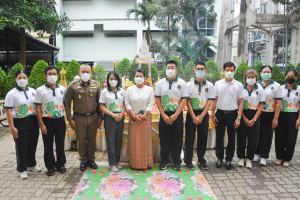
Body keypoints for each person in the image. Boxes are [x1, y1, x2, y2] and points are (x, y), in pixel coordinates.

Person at [65, 64, 103, 171]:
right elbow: (67, 103)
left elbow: (100, 102)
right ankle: (83, 161)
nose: (85, 73)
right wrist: (70, 119)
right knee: (81, 140)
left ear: (91, 73)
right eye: (83, 71)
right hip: (79, 118)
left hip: (93, 117)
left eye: (87, 72)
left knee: (92, 140)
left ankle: (91, 160)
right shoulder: (72, 86)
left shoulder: (96, 86)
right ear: (79, 72)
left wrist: (101, 117)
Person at [4, 70, 41, 179]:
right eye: (19, 78)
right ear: (15, 79)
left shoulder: (33, 91)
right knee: (21, 146)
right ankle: (22, 168)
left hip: (33, 120)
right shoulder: (11, 94)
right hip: (20, 121)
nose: (22, 80)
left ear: (27, 79)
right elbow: (9, 111)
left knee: (32, 144)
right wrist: (12, 127)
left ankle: (31, 164)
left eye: (24, 77)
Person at [155, 60, 189, 171]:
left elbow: (184, 100)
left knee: (177, 139)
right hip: (164, 114)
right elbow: (158, 100)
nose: (170, 70)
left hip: (177, 114)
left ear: (176, 70)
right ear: (165, 70)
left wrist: (176, 114)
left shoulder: (182, 83)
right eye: (168, 67)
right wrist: (163, 115)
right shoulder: (160, 84)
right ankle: (164, 161)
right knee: (164, 139)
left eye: (172, 67)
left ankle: (177, 161)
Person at [211, 62, 244, 170]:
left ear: (234, 71)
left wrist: (239, 118)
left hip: (233, 114)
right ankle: (219, 158)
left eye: (231, 70)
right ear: (223, 71)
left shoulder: (239, 85)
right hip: (220, 113)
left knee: (231, 138)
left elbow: (241, 103)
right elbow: (214, 100)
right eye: (227, 70)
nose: (229, 72)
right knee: (219, 137)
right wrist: (212, 115)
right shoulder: (217, 84)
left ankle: (229, 159)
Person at [35, 65, 67, 176]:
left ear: (58, 75)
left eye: (54, 74)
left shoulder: (62, 89)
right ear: (45, 76)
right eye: (50, 74)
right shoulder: (40, 90)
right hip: (46, 120)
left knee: (60, 143)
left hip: (59, 120)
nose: (52, 76)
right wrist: (41, 123)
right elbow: (38, 108)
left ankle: (61, 164)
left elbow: (65, 105)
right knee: (48, 144)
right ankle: (50, 166)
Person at [184, 62, 215, 170]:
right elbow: (187, 102)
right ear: (194, 70)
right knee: (189, 138)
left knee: (203, 138)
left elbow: (210, 101)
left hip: (204, 114)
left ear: (205, 71)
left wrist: (202, 116)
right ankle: (188, 161)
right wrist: (193, 116)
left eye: (202, 69)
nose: (200, 71)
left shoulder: (210, 85)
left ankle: (201, 160)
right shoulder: (189, 85)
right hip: (191, 114)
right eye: (198, 69)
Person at [125, 69, 154, 170]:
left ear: (144, 78)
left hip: (145, 117)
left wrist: (144, 115)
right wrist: (133, 115)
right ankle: (134, 163)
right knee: (135, 141)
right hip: (133, 117)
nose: (138, 78)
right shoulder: (130, 89)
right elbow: (127, 103)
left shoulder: (149, 89)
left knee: (145, 141)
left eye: (141, 76)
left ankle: (147, 162)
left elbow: (150, 103)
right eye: (137, 76)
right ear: (134, 78)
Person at [237, 70, 265, 169]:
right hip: (243, 113)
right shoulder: (241, 89)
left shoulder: (260, 89)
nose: (250, 79)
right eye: (248, 77)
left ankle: (249, 158)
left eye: (253, 77)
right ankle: (241, 157)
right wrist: (243, 118)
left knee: (253, 138)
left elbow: (261, 106)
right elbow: (239, 104)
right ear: (245, 78)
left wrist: (254, 119)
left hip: (255, 114)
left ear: (256, 78)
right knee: (241, 137)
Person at [254, 65, 282, 166]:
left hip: (269, 113)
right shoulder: (256, 84)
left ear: (271, 74)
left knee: (267, 135)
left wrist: (275, 118)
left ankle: (264, 156)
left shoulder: (276, 86)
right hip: (257, 113)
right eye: (264, 71)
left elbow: (278, 103)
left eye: (268, 72)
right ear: (260, 73)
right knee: (256, 133)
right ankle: (256, 153)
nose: (266, 73)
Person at [99, 71, 125, 172]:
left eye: (115, 79)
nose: (113, 81)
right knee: (110, 140)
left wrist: (121, 114)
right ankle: (111, 163)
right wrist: (113, 114)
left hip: (120, 116)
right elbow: (101, 106)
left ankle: (117, 161)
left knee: (118, 140)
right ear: (108, 80)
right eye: (111, 79)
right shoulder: (104, 92)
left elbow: (124, 104)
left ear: (118, 80)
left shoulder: (122, 91)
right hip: (110, 117)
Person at [275, 69, 300, 167]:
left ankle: (287, 158)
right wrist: (276, 118)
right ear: (285, 77)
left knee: (291, 138)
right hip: (282, 115)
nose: (290, 78)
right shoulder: (280, 88)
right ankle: (280, 157)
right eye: (288, 76)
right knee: (279, 137)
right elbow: (277, 103)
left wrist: (299, 119)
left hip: (293, 115)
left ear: (296, 78)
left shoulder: (299, 89)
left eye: (292, 77)